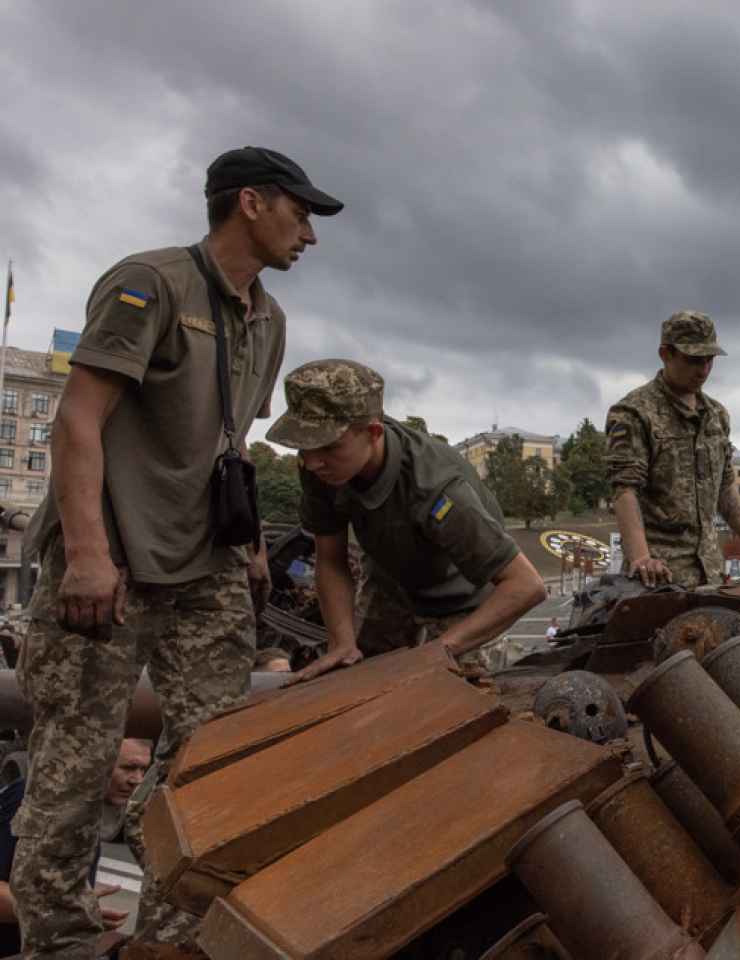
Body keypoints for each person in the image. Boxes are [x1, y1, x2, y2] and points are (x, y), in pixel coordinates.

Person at [15, 146, 340, 956]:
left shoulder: (267, 316)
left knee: (215, 763)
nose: (310, 235)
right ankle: (62, 943)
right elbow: (78, 421)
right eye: (301, 214)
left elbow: (221, 440)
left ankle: (171, 939)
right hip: (114, 559)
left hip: (204, 565)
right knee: (76, 761)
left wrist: (248, 548)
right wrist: (88, 555)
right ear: (252, 203)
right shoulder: (150, 284)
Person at [267, 360, 548, 683]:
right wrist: (341, 643)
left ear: (373, 433)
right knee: (361, 681)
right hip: (391, 579)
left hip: (462, 597)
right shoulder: (319, 467)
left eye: (329, 446)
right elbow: (330, 560)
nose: (313, 461)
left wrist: (438, 651)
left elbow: (525, 586)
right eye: (304, 445)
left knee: (454, 696)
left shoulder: (436, 488)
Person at [605, 312, 740, 587]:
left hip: (710, 574)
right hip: (658, 578)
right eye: (693, 359)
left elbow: (725, 491)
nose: (703, 370)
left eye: (709, 360)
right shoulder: (633, 413)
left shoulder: (716, 415)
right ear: (665, 353)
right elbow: (624, 490)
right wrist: (642, 559)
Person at [0, 741, 151, 955]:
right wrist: (62, 910)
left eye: (143, 769)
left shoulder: (88, 812)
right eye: (128, 768)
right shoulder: (32, 799)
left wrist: (81, 911)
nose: (138, 780)